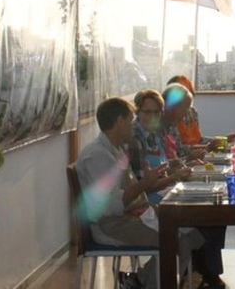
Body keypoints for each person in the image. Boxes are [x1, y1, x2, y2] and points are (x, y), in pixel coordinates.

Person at [76, 97, 204, 289]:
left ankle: (141, 281)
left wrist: (147, 184)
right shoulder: (97, 155)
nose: (132, 126)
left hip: (132, 214)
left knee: (191, 232)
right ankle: (146, 282)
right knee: (174, 239)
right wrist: (145, 183)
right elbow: (110, 207)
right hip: (111, 225)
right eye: (129, 121)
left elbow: (130, 194)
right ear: (119, 122)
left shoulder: (114, 149)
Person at [161, 82, 228, 289]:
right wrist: (187, 160)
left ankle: (205, 268)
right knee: (211, 212)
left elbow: (174, 158)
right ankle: (206, 271)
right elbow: (163, 165)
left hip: (175, 179)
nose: (187, 113)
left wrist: (188, 160)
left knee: (217, 206)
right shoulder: (153, 130)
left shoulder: (170, 125)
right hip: (164, 191)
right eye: (185, 107)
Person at [127, 89, 191, 204]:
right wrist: (173, 177)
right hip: (149, 208)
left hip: (165, 199)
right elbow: (141, 189)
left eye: (156, 112)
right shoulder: (135, 139)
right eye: (147, 112)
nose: (153, 117)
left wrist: (184, 164)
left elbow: (161, 171)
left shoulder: (155, 133)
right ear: (137, 112)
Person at [166, 75, 235, 150]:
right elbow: (178, 149)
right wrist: (208, 148)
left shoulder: (192, 113)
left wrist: (222, 141)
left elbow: (199, 140)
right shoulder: (171, 116)